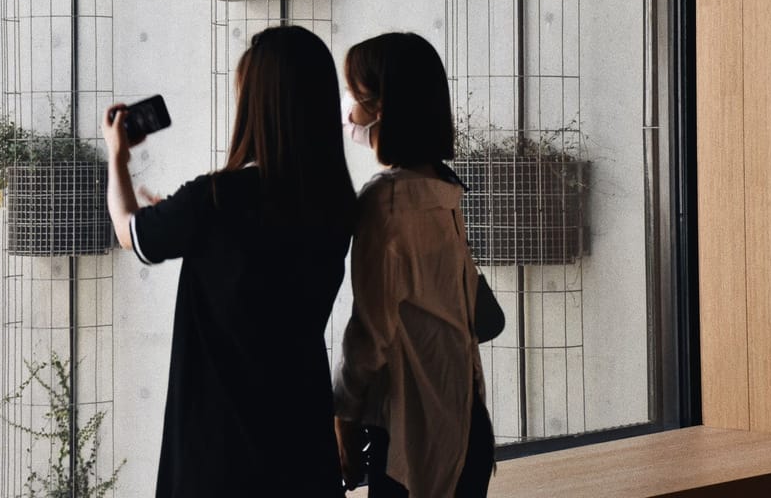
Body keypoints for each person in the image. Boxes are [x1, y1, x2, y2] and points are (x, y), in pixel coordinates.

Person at [103, 25, 356, 498]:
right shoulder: (338, 205)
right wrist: (194, 224)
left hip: (218, 453)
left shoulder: (216, 200)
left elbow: (128, 231)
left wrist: (117, 155)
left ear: (257, 104)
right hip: (302, 444)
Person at [333, 32, 494, 498]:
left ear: (380, 108)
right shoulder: (444, 189)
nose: (348, 110)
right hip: (465, 419)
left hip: (413, 429)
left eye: (354, 94)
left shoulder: (386, 203)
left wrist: (343, 414)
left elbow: (371, 333)